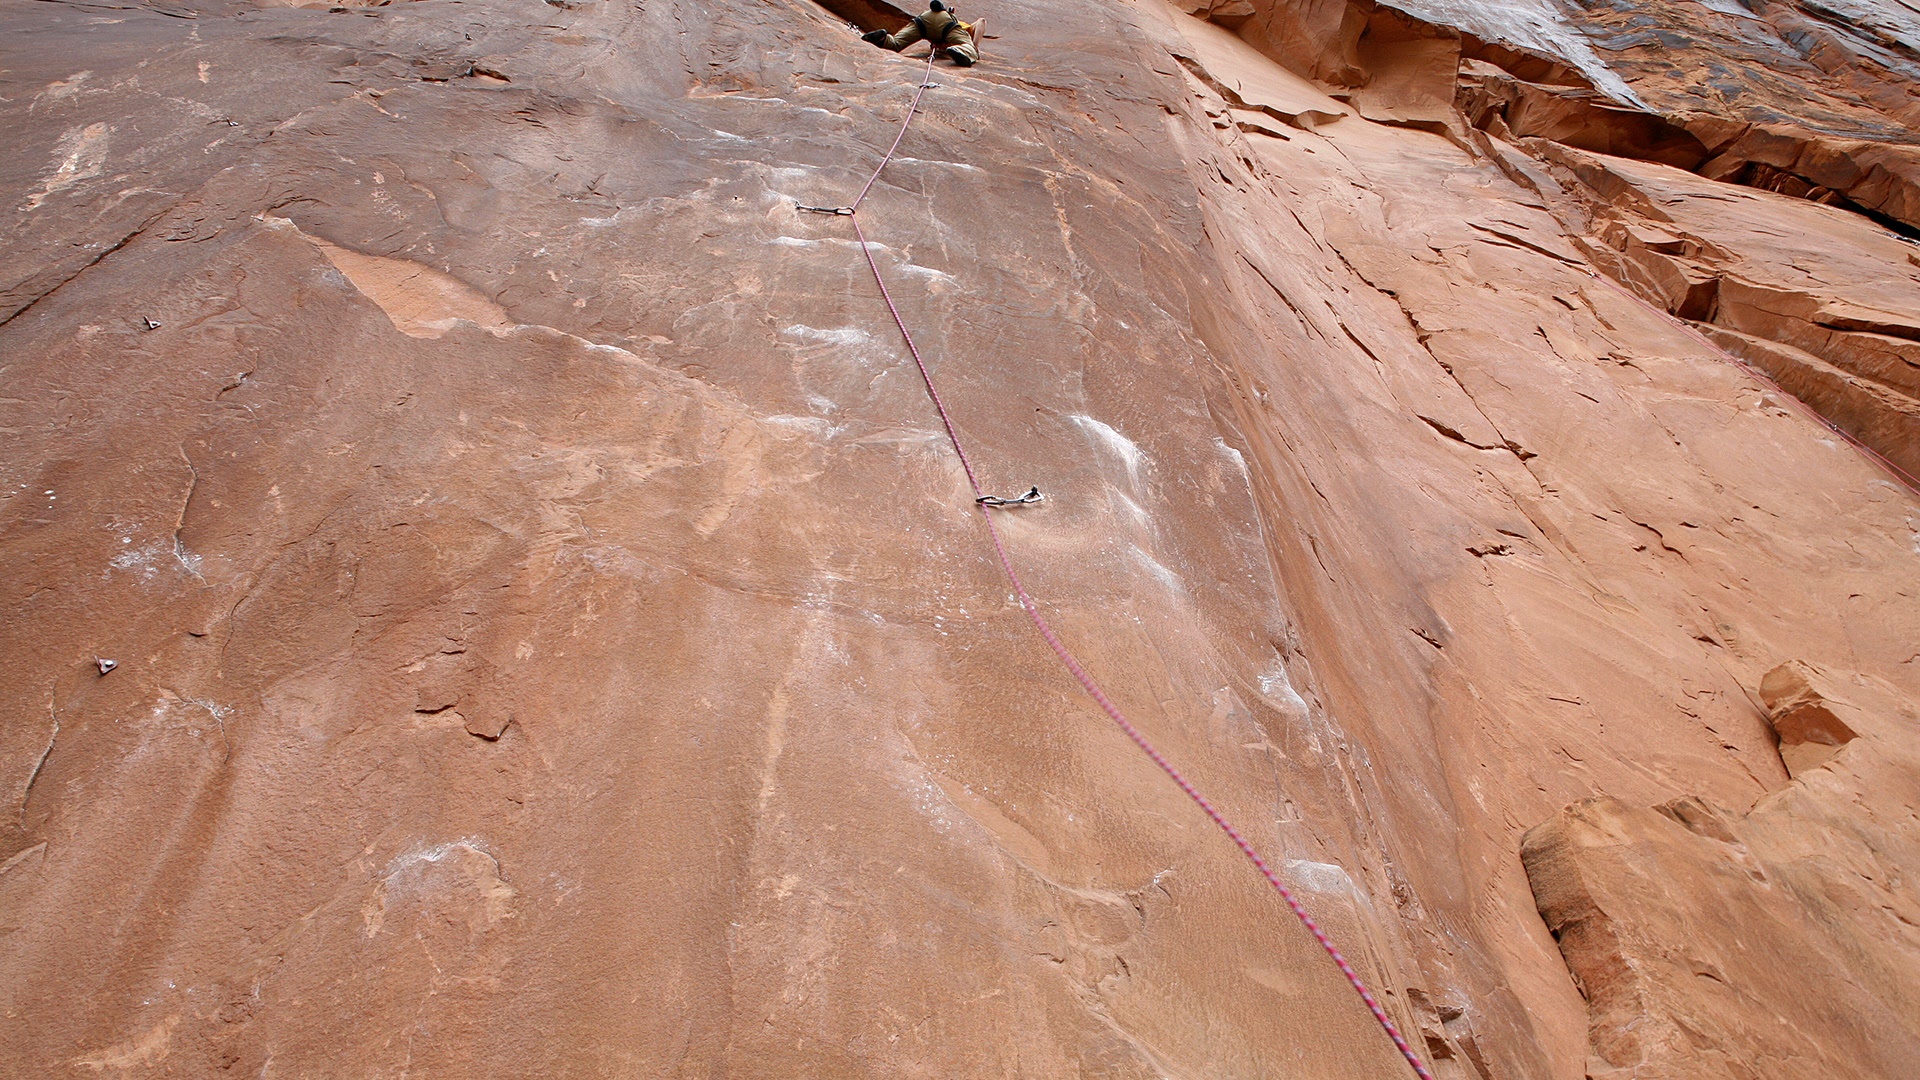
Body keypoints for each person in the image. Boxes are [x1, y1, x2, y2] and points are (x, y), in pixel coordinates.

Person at [861, 1, 979, 66]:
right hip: (946, 26)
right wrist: (975, 46)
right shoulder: (961, 25)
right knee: (968, 46)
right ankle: (961, 51)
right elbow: (982, 22)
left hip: (922, 21)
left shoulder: (934, 14)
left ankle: (883, 38)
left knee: (896, 43)